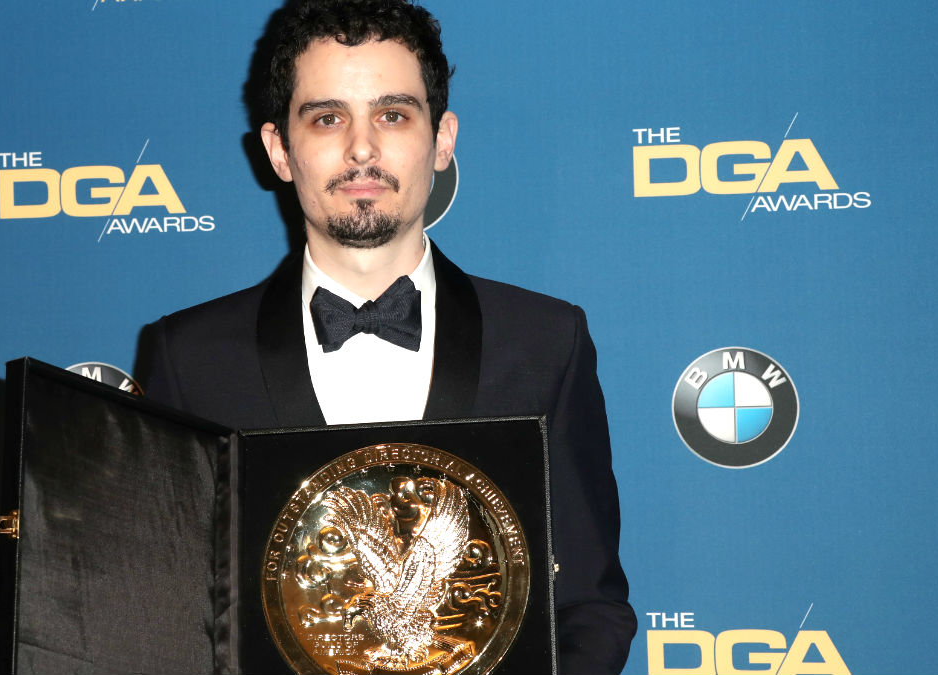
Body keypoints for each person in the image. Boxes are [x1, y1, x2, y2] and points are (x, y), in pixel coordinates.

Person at [139, 0, 636, 671]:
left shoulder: (546, 342)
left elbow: (589, 605)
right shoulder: (189, 358)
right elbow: (162, 617)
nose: (362, 147)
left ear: (443, 139)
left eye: (393, 114)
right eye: (327, 117)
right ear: (279, 150)